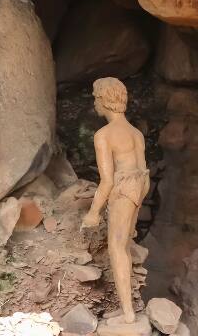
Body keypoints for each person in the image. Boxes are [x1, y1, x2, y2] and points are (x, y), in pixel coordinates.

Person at [81, 77, 150, 324]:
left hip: (122, 191)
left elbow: (107, 181)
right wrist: (137, 202)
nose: (94, 102)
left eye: (95, 97)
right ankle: (126, 308)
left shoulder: (104, 135)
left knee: (116, 249)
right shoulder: (136, 133)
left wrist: (93, 212)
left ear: (104, 100)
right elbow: (144, 174)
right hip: (137, 190)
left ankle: (128, 314)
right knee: (124, 248)